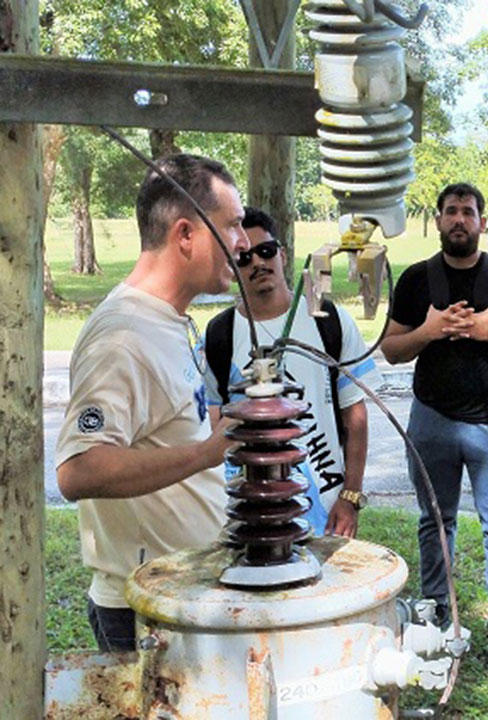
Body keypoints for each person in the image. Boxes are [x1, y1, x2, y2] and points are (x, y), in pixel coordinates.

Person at [55, 154, 250, 651]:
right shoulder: (122, 335)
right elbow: (78, 471)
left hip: (187, 590)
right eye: (233, 227)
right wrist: (209, 452)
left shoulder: (171, 319)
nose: (244, 245)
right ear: (186, 234)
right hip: (144, 611)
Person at [381, 183, 488, 650]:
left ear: (482, 222)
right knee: (435, 518)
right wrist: (429, 332)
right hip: (432, 419)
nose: (459, 220)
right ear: (436, 220)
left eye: (468, 212)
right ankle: (435, 607)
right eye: (450, 211)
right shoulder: (416, 279)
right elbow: (391, 349)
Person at [204, 207, 381, 538]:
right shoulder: (218, 336)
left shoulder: (329, 319)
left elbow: (355, 418)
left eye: (266, 251)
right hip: (252, 513)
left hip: (327, 512)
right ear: (232, 266)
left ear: (282, 255)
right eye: (243, 257)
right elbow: (215, 433)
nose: (257, 263)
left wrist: (350, 497)